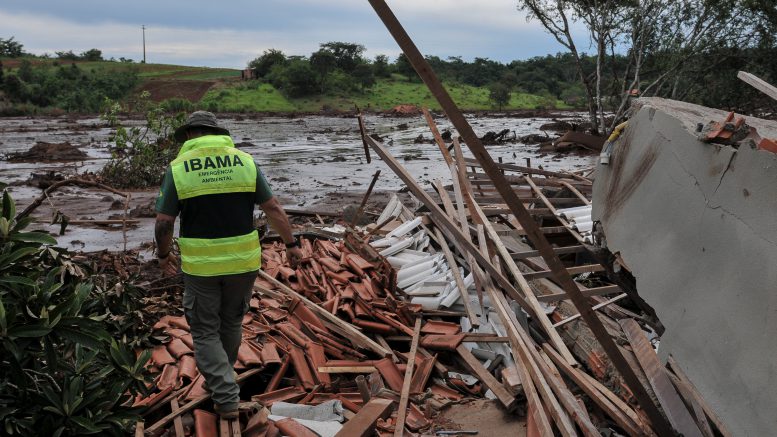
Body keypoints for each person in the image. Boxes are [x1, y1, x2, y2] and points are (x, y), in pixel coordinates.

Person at [154, 111, 303, 419]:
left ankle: (225, 397)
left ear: (191, 136)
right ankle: (220, 381)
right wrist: (291, 245)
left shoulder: (179, 168)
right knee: (231, 323)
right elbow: (273, 207)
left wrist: (163, 254)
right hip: (243, 262)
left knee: (205, 330)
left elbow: (164, 222)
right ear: (217, 132)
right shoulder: (245, 162)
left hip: (202, 267)